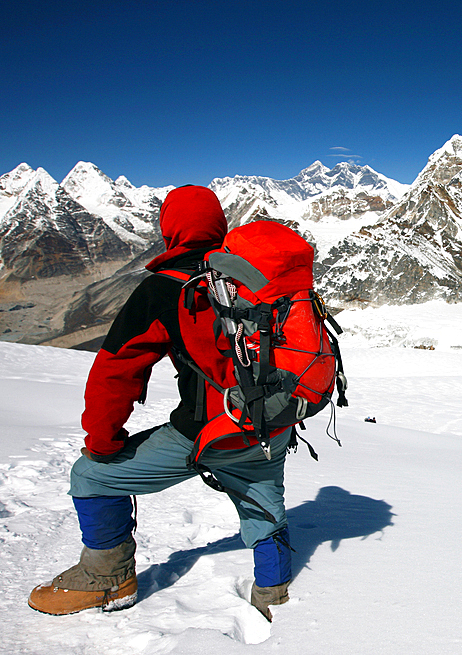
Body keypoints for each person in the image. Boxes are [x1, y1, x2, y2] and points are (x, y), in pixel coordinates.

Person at [28, 186, 293, 621]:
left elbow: (116, 373)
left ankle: (108, 579)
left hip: (203, 433)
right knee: (264, 504)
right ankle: (276, 594)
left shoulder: (163, 289)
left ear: (169, 229)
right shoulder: (256, 277)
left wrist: (103, 443)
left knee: (91, 476)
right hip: (271, 425)